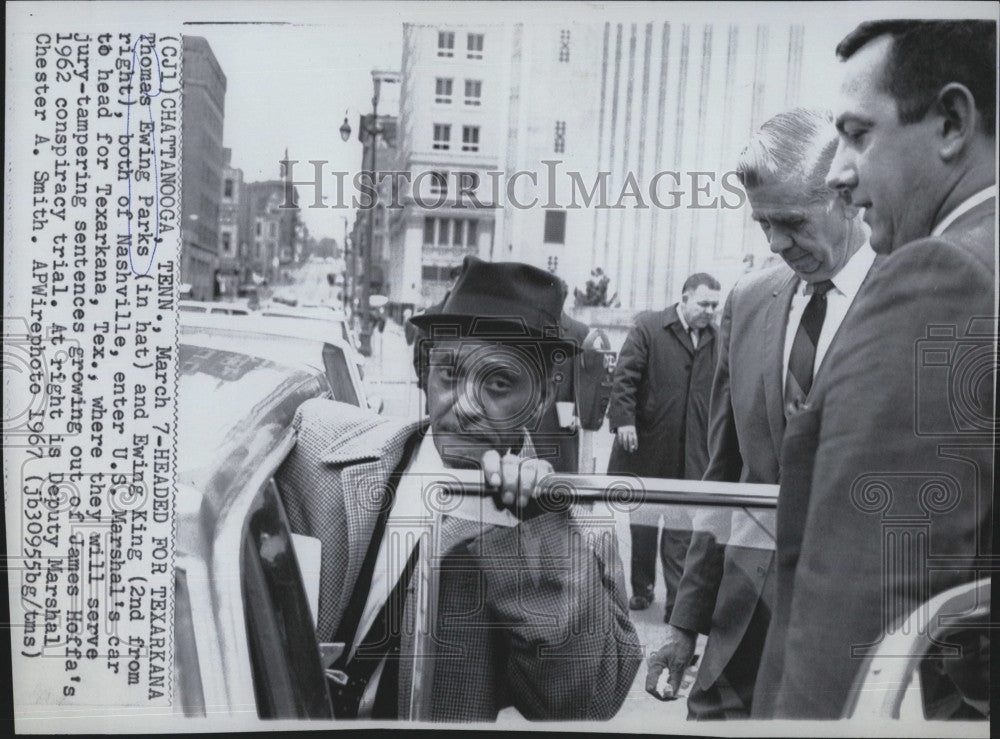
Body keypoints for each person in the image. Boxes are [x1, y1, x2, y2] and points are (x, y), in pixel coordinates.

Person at [276, 256, 642, 721]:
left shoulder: (575, 523)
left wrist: (533, 530)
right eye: (449, 375)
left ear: (544, 396)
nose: (465, 405)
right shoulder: (319, 444)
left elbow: (586, 700)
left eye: (499, 383)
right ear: (425, 372)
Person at [753, 21, 995, 718]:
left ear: (951, 121)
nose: (837, 172)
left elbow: (860, 606)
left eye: (858, 134)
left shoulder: (943, 275)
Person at [645, 108, 876, 718]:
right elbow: (722, 477)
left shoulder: (911, 295)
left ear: (848, 198)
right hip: (741, 629)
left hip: (858, 638)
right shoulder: (748, 303)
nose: (774, 242)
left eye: (791, 221)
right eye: (762, 223)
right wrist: (684, 622)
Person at [606, 273, 721, 618]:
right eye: (704, 304)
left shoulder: (718, 338)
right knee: (643, 524)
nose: (710, 311)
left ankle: (676, 602)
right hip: (648, 443)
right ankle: (642, 589)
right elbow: (625, 376)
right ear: (684, 298)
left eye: (715, 305)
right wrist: (624, 419)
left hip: (692, 451)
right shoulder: (649, 327)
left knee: (681, 529)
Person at [531, 280, 591, 472]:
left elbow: (585, 376)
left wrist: (578, 413)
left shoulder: (579, 331)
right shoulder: (529, 326)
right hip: (533, 416)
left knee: (562, 479)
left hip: (564, 417)